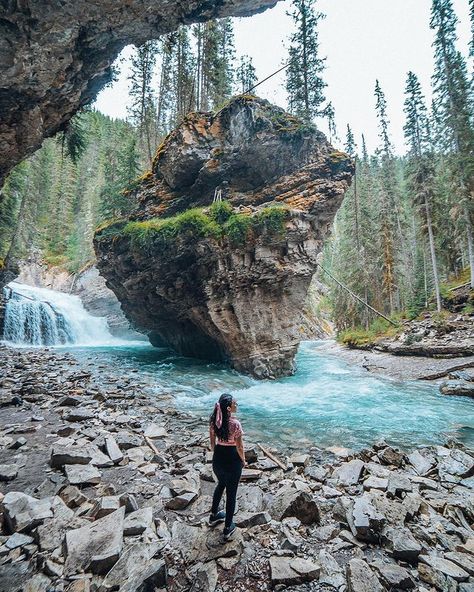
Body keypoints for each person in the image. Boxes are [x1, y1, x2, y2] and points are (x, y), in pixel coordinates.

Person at [208, 393, 246, 540]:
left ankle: (213, 516)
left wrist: (216, 452)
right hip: (231, 459)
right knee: (231, 493)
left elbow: (212, 443)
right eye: (235, 403)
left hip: (218, 458)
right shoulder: (235, 424)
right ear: (229, 408)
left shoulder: (214, 421)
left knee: (221, 484)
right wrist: (243, 460)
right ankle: (228, 527)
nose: (237, 405)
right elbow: (240, 446)